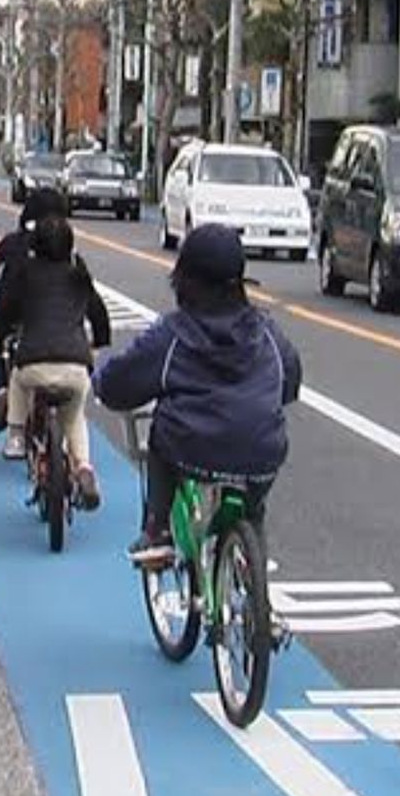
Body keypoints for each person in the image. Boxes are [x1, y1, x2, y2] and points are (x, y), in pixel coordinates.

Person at [93, 224, 302, 566]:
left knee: (159, 435)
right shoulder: (267, 331)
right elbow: (290, 381)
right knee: (254, 508)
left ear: (184, 278)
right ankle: (256, 583)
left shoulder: (174, 334)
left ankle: (157, 529)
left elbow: (122, 383)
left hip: (192, 450)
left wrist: (101, 381)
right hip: (262, 455)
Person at [0, 216, 111, 509]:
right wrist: (98, 342)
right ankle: (83, 468)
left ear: (34, 245)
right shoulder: (79, 277)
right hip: (75, 365)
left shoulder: (25, 274)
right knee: (74, 418)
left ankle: (16, 435)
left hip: (34, 362)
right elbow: (99, 315)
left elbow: (5, 311)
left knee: (17, 380)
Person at [0, 187, 69, 433]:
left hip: (12, 311)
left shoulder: (13, 241)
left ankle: (3, 388)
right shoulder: (64, 244)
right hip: (53, 315)